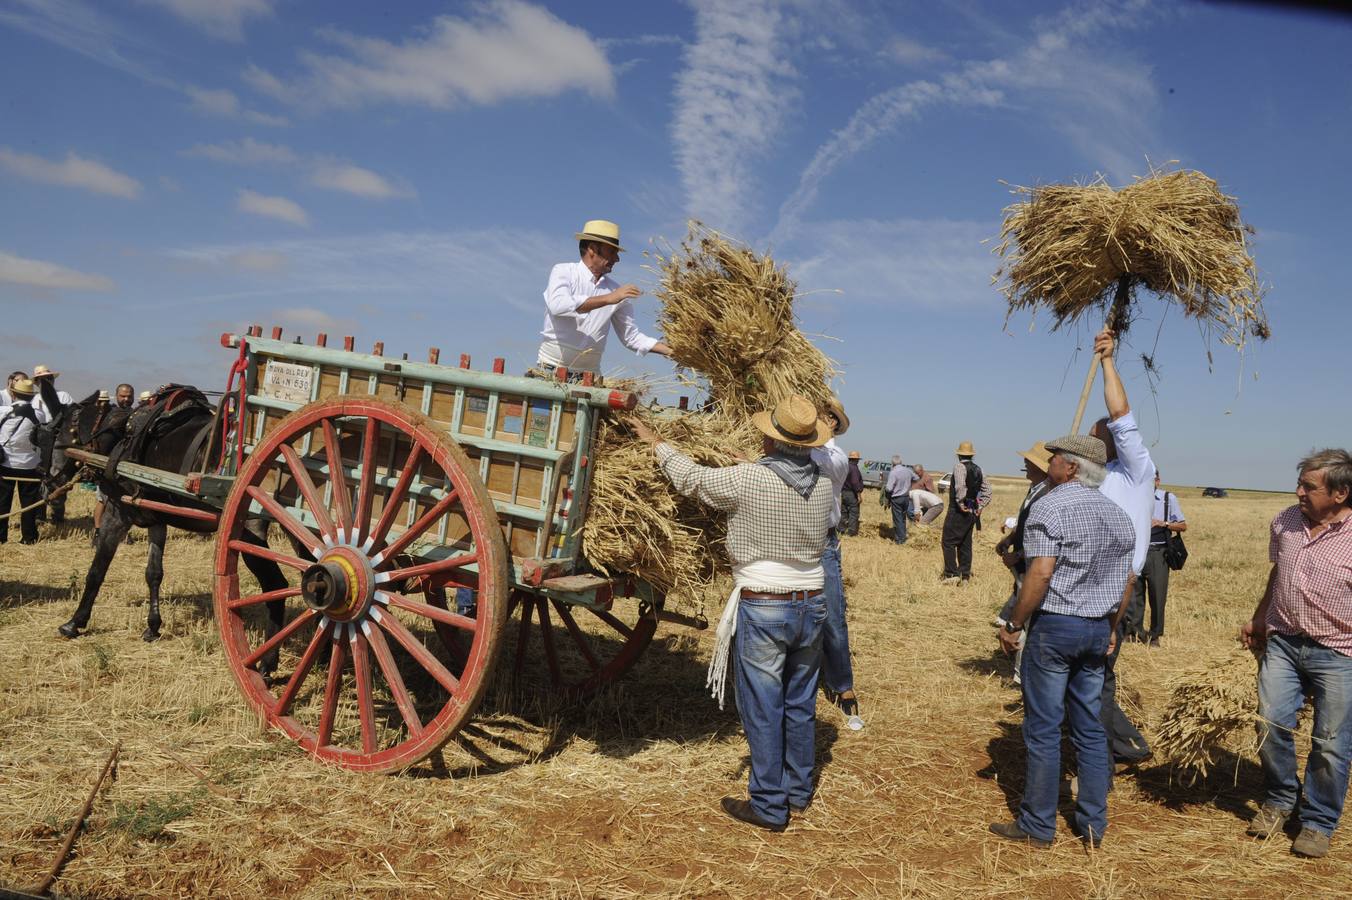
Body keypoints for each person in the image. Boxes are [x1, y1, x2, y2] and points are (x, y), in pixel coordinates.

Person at [630, 394, 833, 832]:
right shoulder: (824, 484)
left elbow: (693, 480)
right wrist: (750, 465)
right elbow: (779, 482)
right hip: (813, 602)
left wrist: (656, 442)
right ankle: (798, 793)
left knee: (763, 705)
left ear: (770, 439)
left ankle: (768, 804)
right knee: (799, 702)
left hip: (765, 603)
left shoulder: (748, 479)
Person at [990, 433, 1135, 849]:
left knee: (1044, 728)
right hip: (1096, 628)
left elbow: (1040, 574)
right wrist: (1111, 626)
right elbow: (1126, 581)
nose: (1048, 463)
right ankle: (1093, 824)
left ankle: (1037, 825)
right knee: (1089, 729)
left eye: (1054, 458)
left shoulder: (1050, 506)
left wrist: (1014, 622)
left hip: (1057, 627)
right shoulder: (1117, 514)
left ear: (1070, 467)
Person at [1240, 448, 1352, 860]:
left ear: (1339, 493)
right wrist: (1258, 617)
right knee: (1269, 724)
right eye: (1300, 483)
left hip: (1341, 652)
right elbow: (1277, 572)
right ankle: (1280, 799)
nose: (1298, 492)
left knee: (1331, 743)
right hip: (1284, 643)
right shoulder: (1285, 521)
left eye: (1309, 486)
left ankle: (1318, 822)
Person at [1086, 328, 1155, 768]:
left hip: (1119, 590)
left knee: (1096, 676)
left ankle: (1116, 747)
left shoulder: (1136, 472)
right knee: (1090, 675)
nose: (1096, 440)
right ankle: (1102, 746)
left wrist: (1108, 361)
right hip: (1086, 588)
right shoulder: (1095, 479)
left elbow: (1123, 413)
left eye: (1102, 433)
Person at [534, 219, 672, 379]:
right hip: (550, 371)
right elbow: (558, 306)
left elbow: (631, 337)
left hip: (589, 377)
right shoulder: (563, 271)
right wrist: (608, 299)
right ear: (592, 249)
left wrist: (670, 351)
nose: (617, 259)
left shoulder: (616, 291)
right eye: (612, 252)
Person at [811, 399, 864, 730]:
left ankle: (843, 685)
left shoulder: (835, 456)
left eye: (818, 414)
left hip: (823, 541)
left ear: (831, 421)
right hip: (791, 540)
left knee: (832, 613)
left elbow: (812, 461)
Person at [992, 441, 1053, 685]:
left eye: (1029, 462)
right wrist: (1009, 539)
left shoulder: (1047, 493)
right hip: (1023, 562)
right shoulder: (1036, 489)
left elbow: (1042, 534)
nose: (1025, 465)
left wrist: (1018, 555)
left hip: (1032, 564)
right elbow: (1025, 525)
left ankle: (1021, 675)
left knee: (1028, 618)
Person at [1125, 469, 1186, 645]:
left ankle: (1155, 635)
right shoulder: (1133, 497)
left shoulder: (1168, 499)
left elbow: (1183, 526)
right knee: (1134, 594)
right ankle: (1133, 632)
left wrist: (1164, 523)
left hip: (1158, 553)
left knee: (1158, 595)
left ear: (1157, 481)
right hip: (1136, 551)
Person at [0, 378, 50, 544]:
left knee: (2, 503)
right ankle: (29, 537)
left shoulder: (2, 411)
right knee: (28, 504)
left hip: (4, 463)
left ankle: (1, 537)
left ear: (13, 394)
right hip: (30, 464)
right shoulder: (40, 414)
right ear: (31, 396)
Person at [942, 441, 991, 582]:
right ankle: (964, 575)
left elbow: (960, 487)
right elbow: (988, 491)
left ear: (958, 455)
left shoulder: (959, 466)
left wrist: (960, 502)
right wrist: (980, 506)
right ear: (972, 455)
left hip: (958, 510)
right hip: (972, 511)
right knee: (965, 543)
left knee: (948, 541)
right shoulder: (979, 469)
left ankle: (951, 574)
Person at [31, 364, 72, 525]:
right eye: (43, 379)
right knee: (41, 477)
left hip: (60, 441)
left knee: (58, 477)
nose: (47, 381)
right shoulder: (35, 400)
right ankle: (40, 514)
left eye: (48, 378)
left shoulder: (64, 396)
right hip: (43, 442)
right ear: (37, 382)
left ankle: (57, 514)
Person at [884, 455, 916, 544]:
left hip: (897, 498)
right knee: (903, 518)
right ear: (901, 462)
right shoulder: (908, 471)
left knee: (897, 519)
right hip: (906, 498)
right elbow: (916, 478)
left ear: (892, 463)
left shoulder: (893, 472)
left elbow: (889, 488)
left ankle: (901, 540)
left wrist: (885, 489)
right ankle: (900, 537)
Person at [841, 451, 864, 537]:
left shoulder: (845, 467)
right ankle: (851, 532)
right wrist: (859, 495)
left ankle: (841, 529)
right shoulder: (854, 468)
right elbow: (855, 482)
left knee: (844, 511)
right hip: (852, 493)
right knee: (853, 512)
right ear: (856, 460)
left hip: (844, 492)